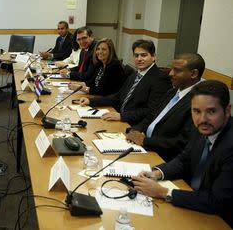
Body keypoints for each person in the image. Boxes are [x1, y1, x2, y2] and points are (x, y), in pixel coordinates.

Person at [132, 80, 233, 228]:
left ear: (227, 110)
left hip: (218, 220)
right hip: (193, 204)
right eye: (196, 111)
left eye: (211, 111)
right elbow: (184, 159)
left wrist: (163, 192)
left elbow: (217, 201)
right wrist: (156, 173)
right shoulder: (203, 128)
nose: (202, 119)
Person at [126, 53, 205, 161]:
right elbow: (151, 116)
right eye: (171, 69)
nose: (171, 73)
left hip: (164, 157)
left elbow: (182, 142)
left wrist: (145, 141)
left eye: (177, 70)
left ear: (193, 73)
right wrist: (135, 130)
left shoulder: (199, 102)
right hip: (144, 147)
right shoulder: (172, 91)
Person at [80, 39, 171, 125]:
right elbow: (118, 97)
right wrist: (90, 101)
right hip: (120, 118)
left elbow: (152, 111)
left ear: (154, 56)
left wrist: (121, 116)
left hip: (134, 125)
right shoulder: (135, 74)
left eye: (143, 55)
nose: (139, 59)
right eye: (136, 55)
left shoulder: (160, 79)